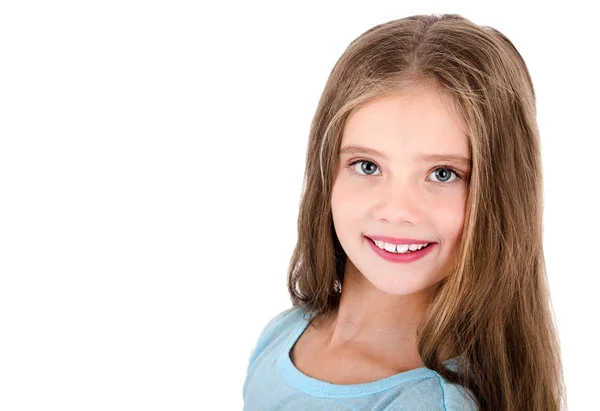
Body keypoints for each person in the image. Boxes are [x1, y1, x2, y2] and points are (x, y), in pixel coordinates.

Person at [242, 13, 566, 411]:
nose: (397, 211)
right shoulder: (284, 335)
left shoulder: (426, 402)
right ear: (327, 173)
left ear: (499, 198)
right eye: (367, 166)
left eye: (443, 174)